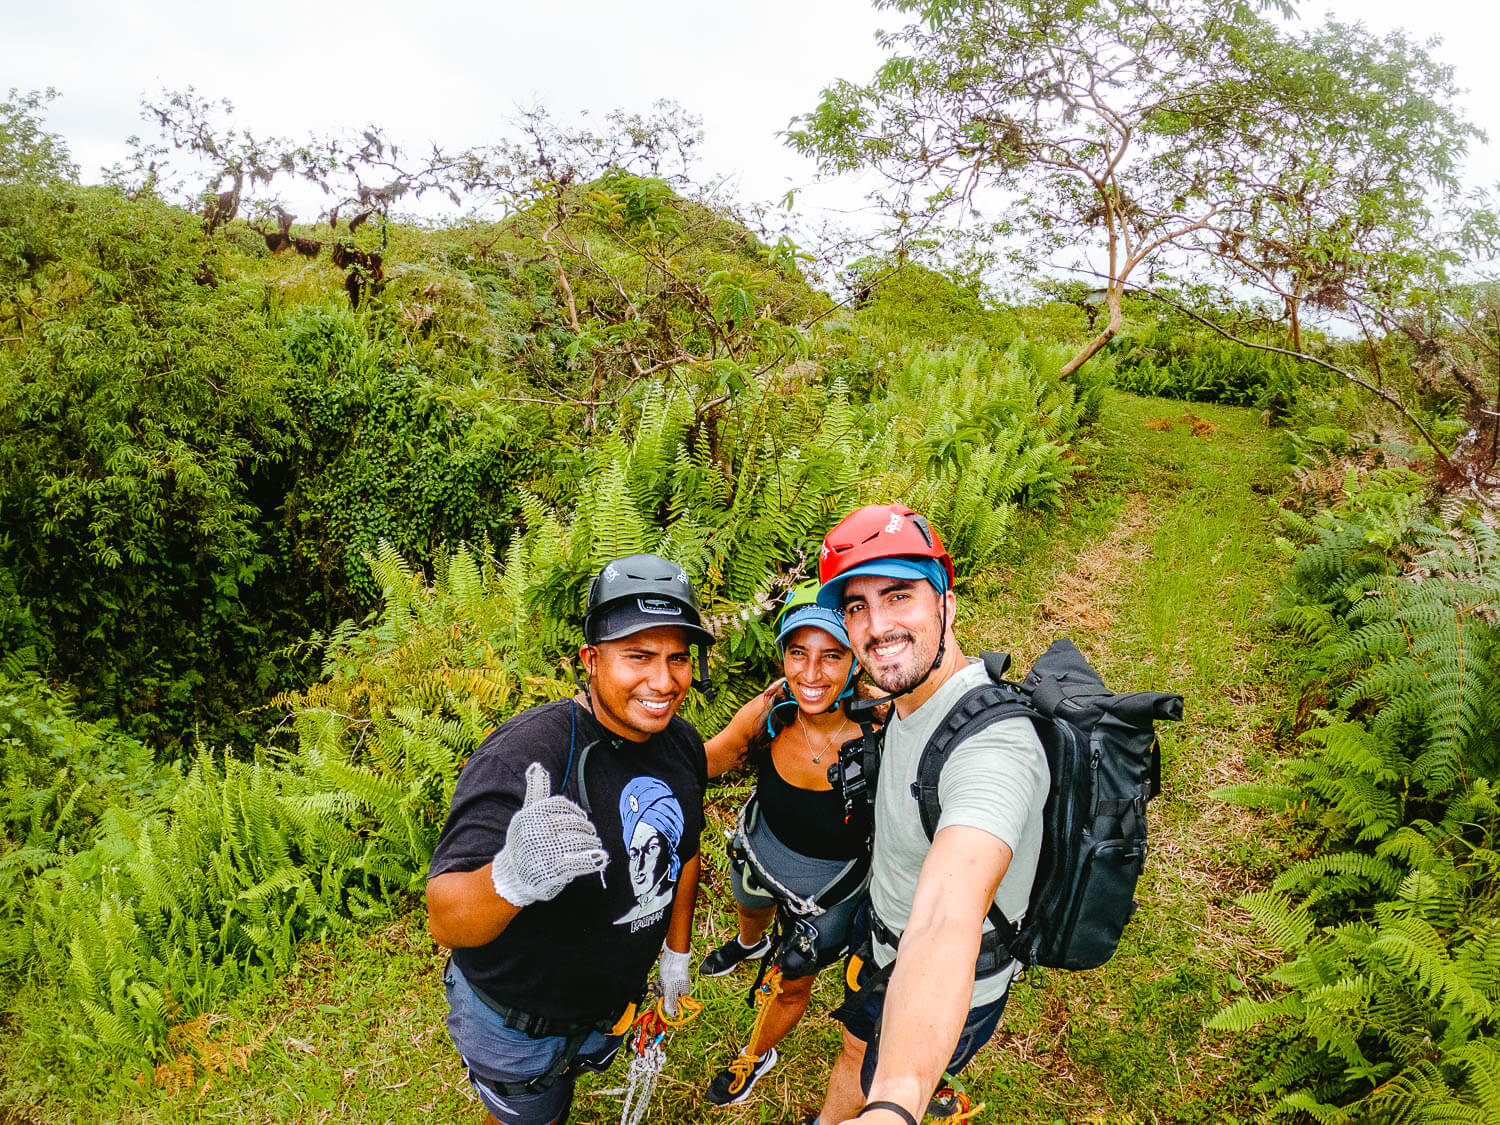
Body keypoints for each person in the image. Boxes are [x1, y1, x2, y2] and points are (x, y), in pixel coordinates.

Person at [426, 553, 713, 1125]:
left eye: (678, 658)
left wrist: (676, 954)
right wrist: (510, 877)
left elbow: (686, 852)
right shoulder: (527, 755)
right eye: (639, 656)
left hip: (607, 1010)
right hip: (517, 1028)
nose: (664, 680)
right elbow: (446, 919)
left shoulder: (680, 742)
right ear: (591, 659)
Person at [787, 504, 1050, 1125]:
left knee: (881, 1067)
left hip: (940, 977)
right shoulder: (908, 695)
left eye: (898, 596)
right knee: (856, 1049)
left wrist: (897, 1105)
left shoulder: (996, 752)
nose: (877, 627)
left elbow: (944, 917)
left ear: (946, 607)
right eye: (857, 607)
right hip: (877, 942)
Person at [697, 581, 871, 1107]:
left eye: (831, 656)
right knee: (749, 903)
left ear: (857, 663)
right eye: (799, 653)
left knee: (792, 981)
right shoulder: (770, 715)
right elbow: (707, 761)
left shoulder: (883, 732)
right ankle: (749, 943)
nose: (811, 675)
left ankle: (755, 1054)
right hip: (759, 849)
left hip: (829, 888)